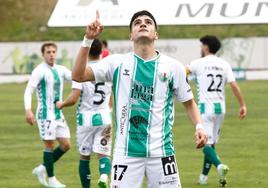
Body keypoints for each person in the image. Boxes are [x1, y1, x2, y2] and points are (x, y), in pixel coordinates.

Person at [72, 10, 207, 188]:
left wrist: (199, 126)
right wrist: (88, 39)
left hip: (162, 153)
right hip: (126, 153)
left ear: (156, 34)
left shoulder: (174, 67)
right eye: (137, 23)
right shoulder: (117, 63)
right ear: (131, 36)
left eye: (148, 22)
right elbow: (78, 75)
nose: (142, 24)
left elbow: (189, 103)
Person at [186, 35, 247, 187]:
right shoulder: (224, 64)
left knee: (205, 144)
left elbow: (182, 72)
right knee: (211, 143)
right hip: (220, 109)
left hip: (205, 109)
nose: (201, 48)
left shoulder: (197, 63)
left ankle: (219, 166)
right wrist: (242, 105)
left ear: (206, 47)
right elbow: (234, 85)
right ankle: (203, 178)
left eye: (201, 46)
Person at [56, 39, 113, 188]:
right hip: (104, 116)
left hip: (85, 119)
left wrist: (62, 104)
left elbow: (74, 98)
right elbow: (112, 95)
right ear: (101, 51)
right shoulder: (107, 70)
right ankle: (104, 176)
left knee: (85, 156)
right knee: (104, 153)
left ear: (87, 53)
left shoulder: (81, 71)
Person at [24, 42, 71, 188]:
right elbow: (28, 90)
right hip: (45, 115)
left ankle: (42, 168)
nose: (51, 54)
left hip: (58, 114)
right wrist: (28, 110)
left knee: (66, 145)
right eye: (48, 52)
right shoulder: (39, 71)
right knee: (49, 145)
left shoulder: (61, 69)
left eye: (53, 52)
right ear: (43, 54)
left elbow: (76, 77)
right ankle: (51, 180)